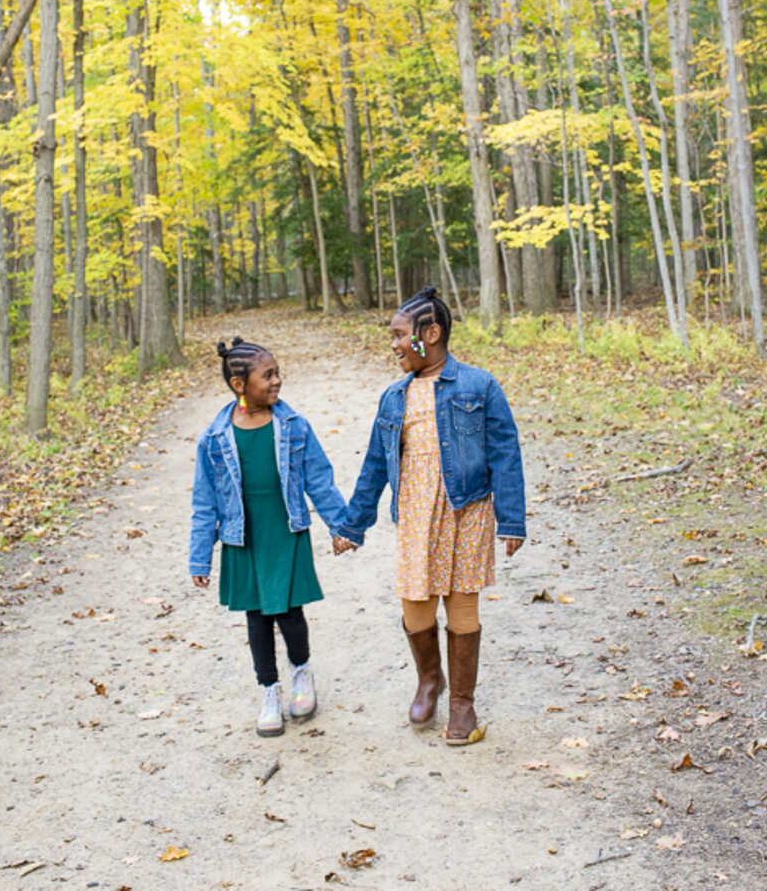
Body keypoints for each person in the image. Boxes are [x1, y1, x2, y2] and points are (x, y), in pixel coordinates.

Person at [333, 287, 525, 746]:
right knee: (415, 605)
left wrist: (512, 519)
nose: (394, 345)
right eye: (393, 337)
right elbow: (375, 467)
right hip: (417, 515)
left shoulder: (479, 385)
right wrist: (352, 525)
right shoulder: (394, 398)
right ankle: (429, 679)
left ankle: (462, 702)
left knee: (462, 603)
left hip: (468, 511)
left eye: (401, 336)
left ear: (431, 333)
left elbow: (505, 452)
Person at [189, 336, 348, 737]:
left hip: (284, 528)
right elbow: (205, 502)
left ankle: (301, 673)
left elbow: (319, 478)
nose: (277, 381)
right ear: (240, 385)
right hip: (244, 537)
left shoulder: (293, 426)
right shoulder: (214, 438)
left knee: (290, 612)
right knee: (257, 617)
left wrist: (339, 526)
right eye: (268, 375)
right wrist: (199, 557)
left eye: (277, 373)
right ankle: (269, 691)